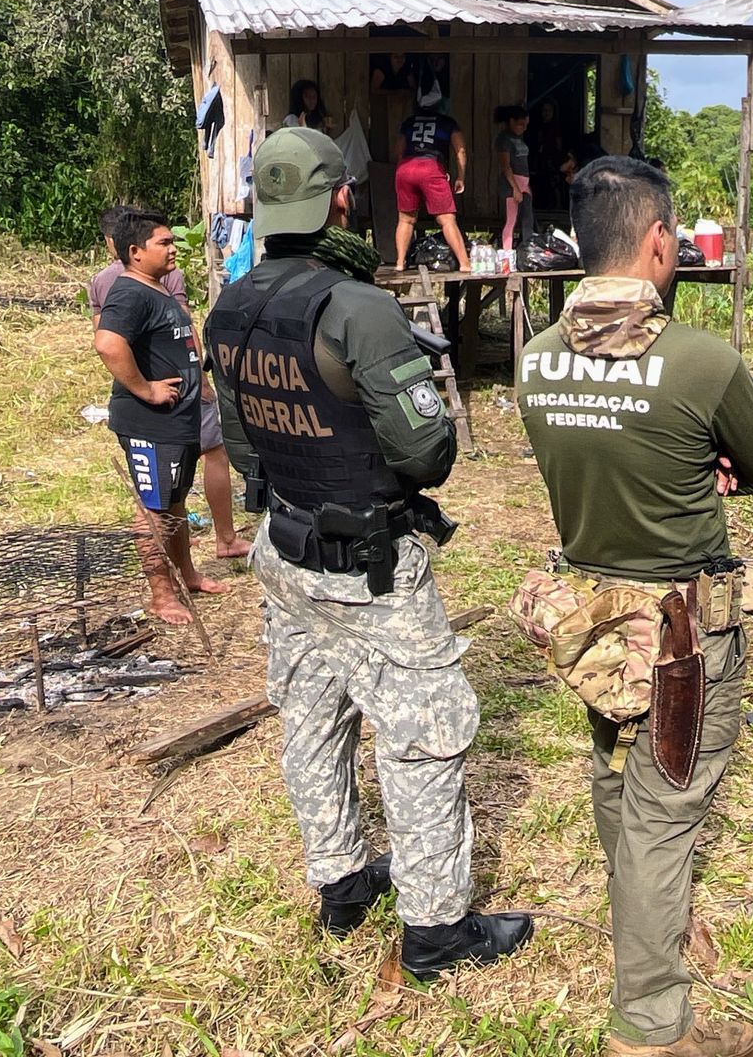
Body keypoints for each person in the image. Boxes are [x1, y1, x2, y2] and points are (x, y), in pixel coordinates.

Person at [205, 128, 531, 979]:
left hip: (286, 552)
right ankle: (436, 932)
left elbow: (244, 452)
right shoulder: (359, 309)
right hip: (370, 565)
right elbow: (429, 456)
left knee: (314, 718)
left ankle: (343, 883)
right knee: (422, 739)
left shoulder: (230, 306)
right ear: (340, 199)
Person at [516, 157, 753, 1057]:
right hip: (679, 636)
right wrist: (698, 459)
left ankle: (646, 934)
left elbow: (592, 460)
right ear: (662, 241)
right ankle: (651, 1024)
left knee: (615, 777)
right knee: (666, 811)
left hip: (590, 624)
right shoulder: (703, 361)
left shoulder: (536, 359)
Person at [92, 208, 231, 624]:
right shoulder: (129, 293)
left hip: (179, 419)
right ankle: (160, 593)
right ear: (135, 252)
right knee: (153, 506)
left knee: (174, 503)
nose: (174, 249)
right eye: (165, 243)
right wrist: (145, 388)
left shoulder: (155, 288)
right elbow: (107, 344)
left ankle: (186, 574)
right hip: (149, 424)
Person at [394, 95, 469, 273]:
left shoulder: (410, 122)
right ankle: (465, 263)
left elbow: (398, 150)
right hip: (431, 167)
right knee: (447, 220)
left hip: (406, 167)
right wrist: (460, 176)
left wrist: (403, 170)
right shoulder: (447, 122)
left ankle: (399, 262)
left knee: (406, 219)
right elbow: (461, 150)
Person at [493, 104, 534, 251]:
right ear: (511, 122)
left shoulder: (519, 138)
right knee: (511, 221)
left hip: (524, 182)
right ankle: (507, 254)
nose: (524, 128)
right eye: (520, 124)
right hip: (511, 183)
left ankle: (529, 251)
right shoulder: (504, 139)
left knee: (528, 219)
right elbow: (506, 166)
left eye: (525, 125)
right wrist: (515, 188)